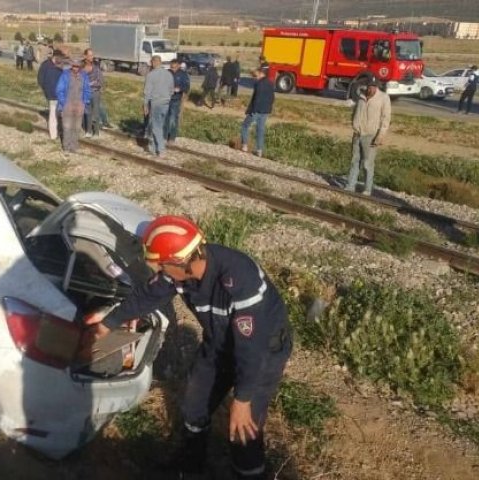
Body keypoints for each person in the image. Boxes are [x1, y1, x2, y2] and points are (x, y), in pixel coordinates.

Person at [84, 215, 292, 479]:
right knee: (195, 406)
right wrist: (108, 324)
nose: (158, 272)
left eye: (160, 266)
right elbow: (148, 295)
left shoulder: (241, 279)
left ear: (178, 262)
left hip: (263, 352)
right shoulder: (179, 273)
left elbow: (252, 350)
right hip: (218, 344)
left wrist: (242, 400)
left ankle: (250, 473)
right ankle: (189, 468)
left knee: (243, 430)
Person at [346, 74, 391, 196]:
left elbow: (386, 119)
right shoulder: (361, 96)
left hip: (371, 136)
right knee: (354, 161)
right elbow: (355, 112)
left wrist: (380, 136)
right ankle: (350, 186)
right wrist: (354, 125)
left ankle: (367, 189)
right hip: (357, 134)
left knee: (367, 164)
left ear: (377, 87)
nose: (370, 89)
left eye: (373, 87)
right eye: (369, 86)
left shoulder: (384, 98)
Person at [55, 57, 91, 153]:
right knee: (67, 126)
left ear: (80, 66)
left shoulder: (84, 76)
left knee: (77, 127)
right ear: (71, 66)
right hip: (68, 104)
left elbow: (87, 90)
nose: (75, 68)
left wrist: (85, 101)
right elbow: (59, 90)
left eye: (77, 66)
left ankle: (74, 146)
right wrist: (64, 102)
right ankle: (66, 147)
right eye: (74, 66)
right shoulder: (65, 75)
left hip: (79, 105)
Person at [143, 55, 174, 156]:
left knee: (156, 126)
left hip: (156, 102)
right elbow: (171, 90)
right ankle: (153, 147)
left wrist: (145, 105)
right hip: (166, 102)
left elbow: (147, 92)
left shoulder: (151, 75)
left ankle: (161, 150)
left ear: (153, 62)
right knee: (160, 125)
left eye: (151, 63)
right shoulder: (169, 74)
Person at [240, 66, 274, 157]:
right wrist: (269, 109)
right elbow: (272, 98)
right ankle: (259, 151)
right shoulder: (271, 83)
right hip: (265, 111)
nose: (256, 77)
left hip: (256, 110)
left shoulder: (258, 84)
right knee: (260, 130)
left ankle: (244, 146)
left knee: (245, 125)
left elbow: (256, 98)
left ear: (261, 73)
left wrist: (251, 110)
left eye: (256, 75)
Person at [37, 52, 64, 140]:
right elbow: (40, 79)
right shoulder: (45, 65)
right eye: (60, 58)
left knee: (58, 114)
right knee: (53, 114)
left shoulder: (60, 66)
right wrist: (45, 89)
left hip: (60, 95)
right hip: (51, 94)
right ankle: (53, 135)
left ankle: (59, 130)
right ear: (55, 57)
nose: (61, 60)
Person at [165, 58, 191, 143]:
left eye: (175, 67)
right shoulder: (167, 72)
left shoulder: (183, 75)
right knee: (165, 117)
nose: (173, 68)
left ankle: (171, 136)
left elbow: (187, 87)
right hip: (165, 98)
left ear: (179, 66)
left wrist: (179, 89)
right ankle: (163, 135)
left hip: (176, 99)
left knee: (173, 117)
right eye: (172, 67)